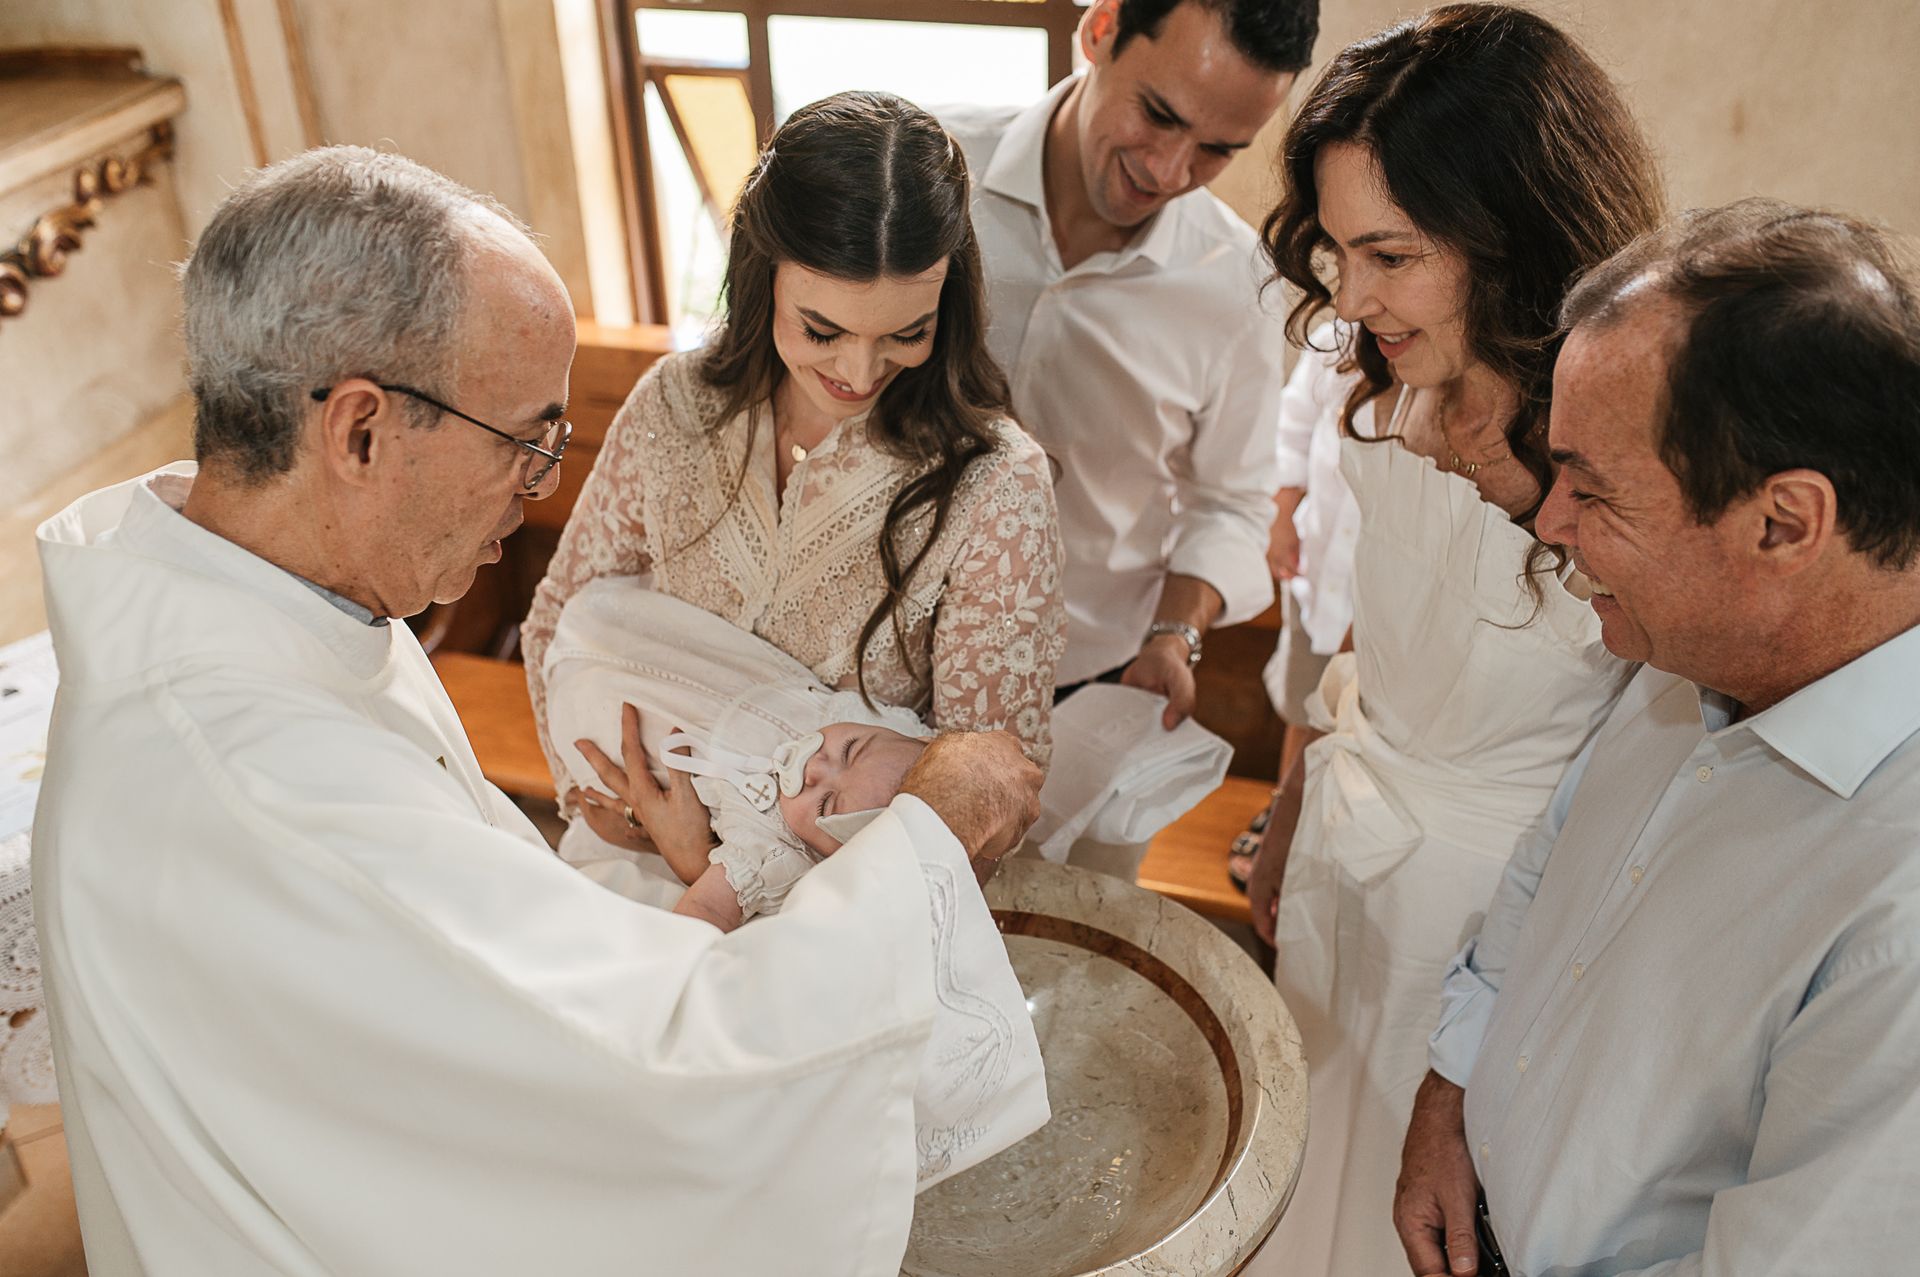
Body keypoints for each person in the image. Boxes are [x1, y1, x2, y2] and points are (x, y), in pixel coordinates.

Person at [31, 145, 1046, 1276]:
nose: (543, 485)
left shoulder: (277, 612)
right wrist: (921, 835)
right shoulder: (261, 781)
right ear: (360, 431)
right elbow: (674, 1067)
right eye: (524, 439)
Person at [1396, 199, 1920, 1277]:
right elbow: (1551, 860)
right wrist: (1452, 1092)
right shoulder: (1689, 649)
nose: (1551, 524)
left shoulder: (1899, 905)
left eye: (1595, 490)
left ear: (1784, 523)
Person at [1239, 8, 1665, 1275]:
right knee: (1308, 1173)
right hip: (1352, 828)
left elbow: (1663, 732)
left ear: (1510, 238)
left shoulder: (1637, 432)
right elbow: (1381, 612)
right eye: (1337, 251)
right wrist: (1301, 778)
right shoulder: (1388, 380)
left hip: (1501, 905)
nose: (1353, 298)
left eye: (1392, 254)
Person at [523, 91, 1064, 875]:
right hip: (615, 858)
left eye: (906, 334)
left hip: (828, 923)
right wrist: (600, 799)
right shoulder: (675, 407)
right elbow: (558, 619)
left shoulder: (994, 488)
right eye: (823, 330)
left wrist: (710, 867)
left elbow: (981, 804)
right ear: (762, 274)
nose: (858, 371)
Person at [939, 0, 1319, 749]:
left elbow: (1232, 504)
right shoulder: (930, 167)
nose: (1169, 170)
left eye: (1217, 149)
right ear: (1101, 28)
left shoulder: (1241, 287)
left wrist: (1175, 637)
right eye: (1158, 113)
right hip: (870, 661)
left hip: (1094, 687)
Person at [544, 581, 941, 931]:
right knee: (594, 620)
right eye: (850, 749)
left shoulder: (774, 852)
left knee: (584, 706)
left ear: (834, 860)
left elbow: (706, 911)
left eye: (826, 802)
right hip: (691, 659)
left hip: (637, 745)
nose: (816, 765)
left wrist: (675, 972)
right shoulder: (892, 739)